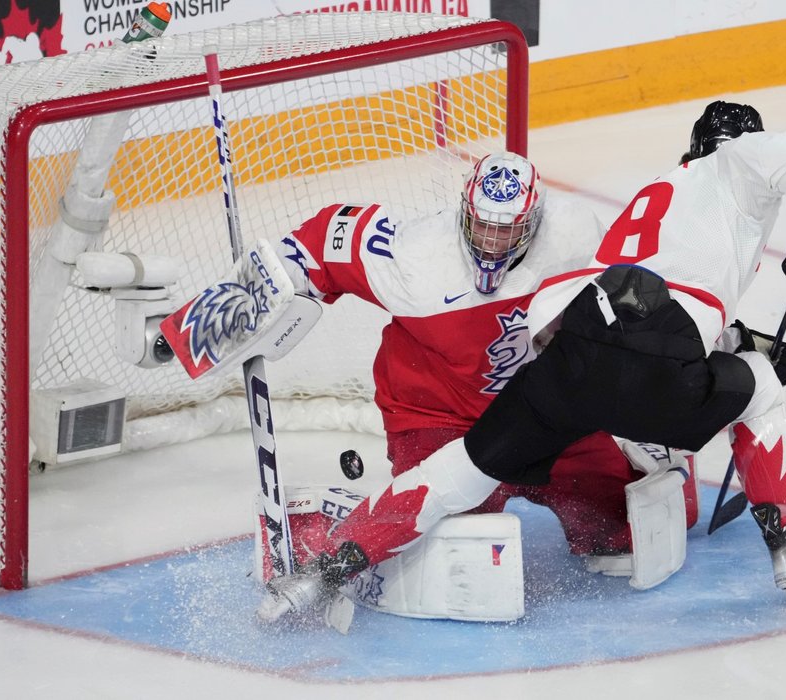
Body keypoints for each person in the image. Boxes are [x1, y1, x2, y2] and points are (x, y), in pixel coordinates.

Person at [261, 100, 786, 620]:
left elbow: (606, 297)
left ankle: (323, 570)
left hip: (570, 357)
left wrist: (733, 339)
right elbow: (781, 154)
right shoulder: (733, 165)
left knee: (457, 475)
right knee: (758, 390)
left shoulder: (654, 197)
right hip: (657, 351)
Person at [261, 151, 701, 592]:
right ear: (464, 211)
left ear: (534, 221)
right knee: (456, 543)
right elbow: (323, 242)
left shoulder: (575, 235)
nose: (491, 241)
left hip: (539, 409)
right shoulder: (416, 256)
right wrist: (268, 284)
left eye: (507, 229)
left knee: (617, 525)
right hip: (437, 414)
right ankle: (330, 526)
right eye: (483, 225)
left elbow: (633, 297)